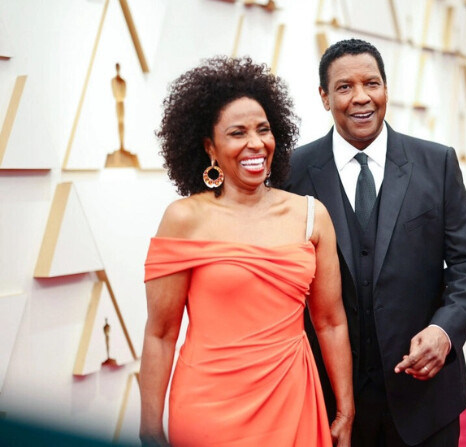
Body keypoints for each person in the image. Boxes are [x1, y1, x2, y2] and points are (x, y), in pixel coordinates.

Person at [139, 56, 354, 447]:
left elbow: (330, 322)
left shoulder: (311, 216)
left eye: (264, 130)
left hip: (292, 402)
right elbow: (161, 333)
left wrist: (344, 408)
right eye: (237, 133)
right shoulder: (184, 219)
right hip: (206, 409)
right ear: (210, 148)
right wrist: (150, 428)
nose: (256, 144)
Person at [286, 39, 466, 447]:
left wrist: (444, 331)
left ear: (386, 90)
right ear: (324, 97)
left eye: (372, 83)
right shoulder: (293, 172)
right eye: (344, 87)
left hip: (425, 402)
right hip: (331, 402)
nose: (361, 97)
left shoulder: (438, 163)